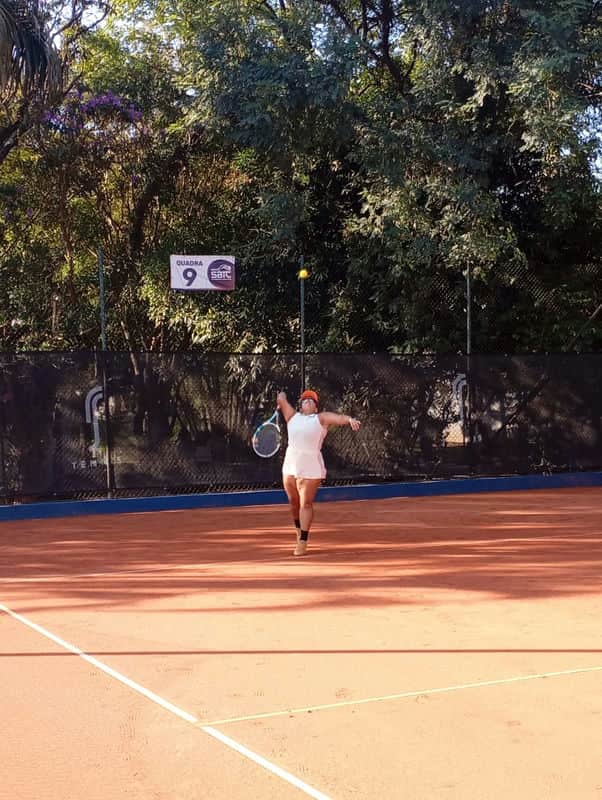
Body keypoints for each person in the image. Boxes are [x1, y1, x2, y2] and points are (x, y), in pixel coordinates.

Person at [276, 389, 361, 556]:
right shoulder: (292, 416)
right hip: (290, 464)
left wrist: (350, 419)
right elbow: (282, 398)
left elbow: (338, 418)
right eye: (305, 399)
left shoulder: (320, 418)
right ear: (300, 406)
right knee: (293, 502)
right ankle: (298, 530)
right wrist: (281, 397)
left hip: (311, 466)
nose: (308, 400)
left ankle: (303, 540)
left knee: (305, 503)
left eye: (312, 400)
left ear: (316, 407)